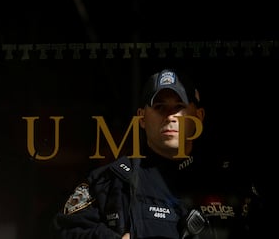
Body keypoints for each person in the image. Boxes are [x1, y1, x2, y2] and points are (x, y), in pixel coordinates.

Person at [51, 68, 264, 239]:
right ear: (142, 118)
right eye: (160, 107)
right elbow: (65, 228)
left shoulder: (232, 182)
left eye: (179, 107)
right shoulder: (113, 180)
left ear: (198, 116)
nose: (170, 116)